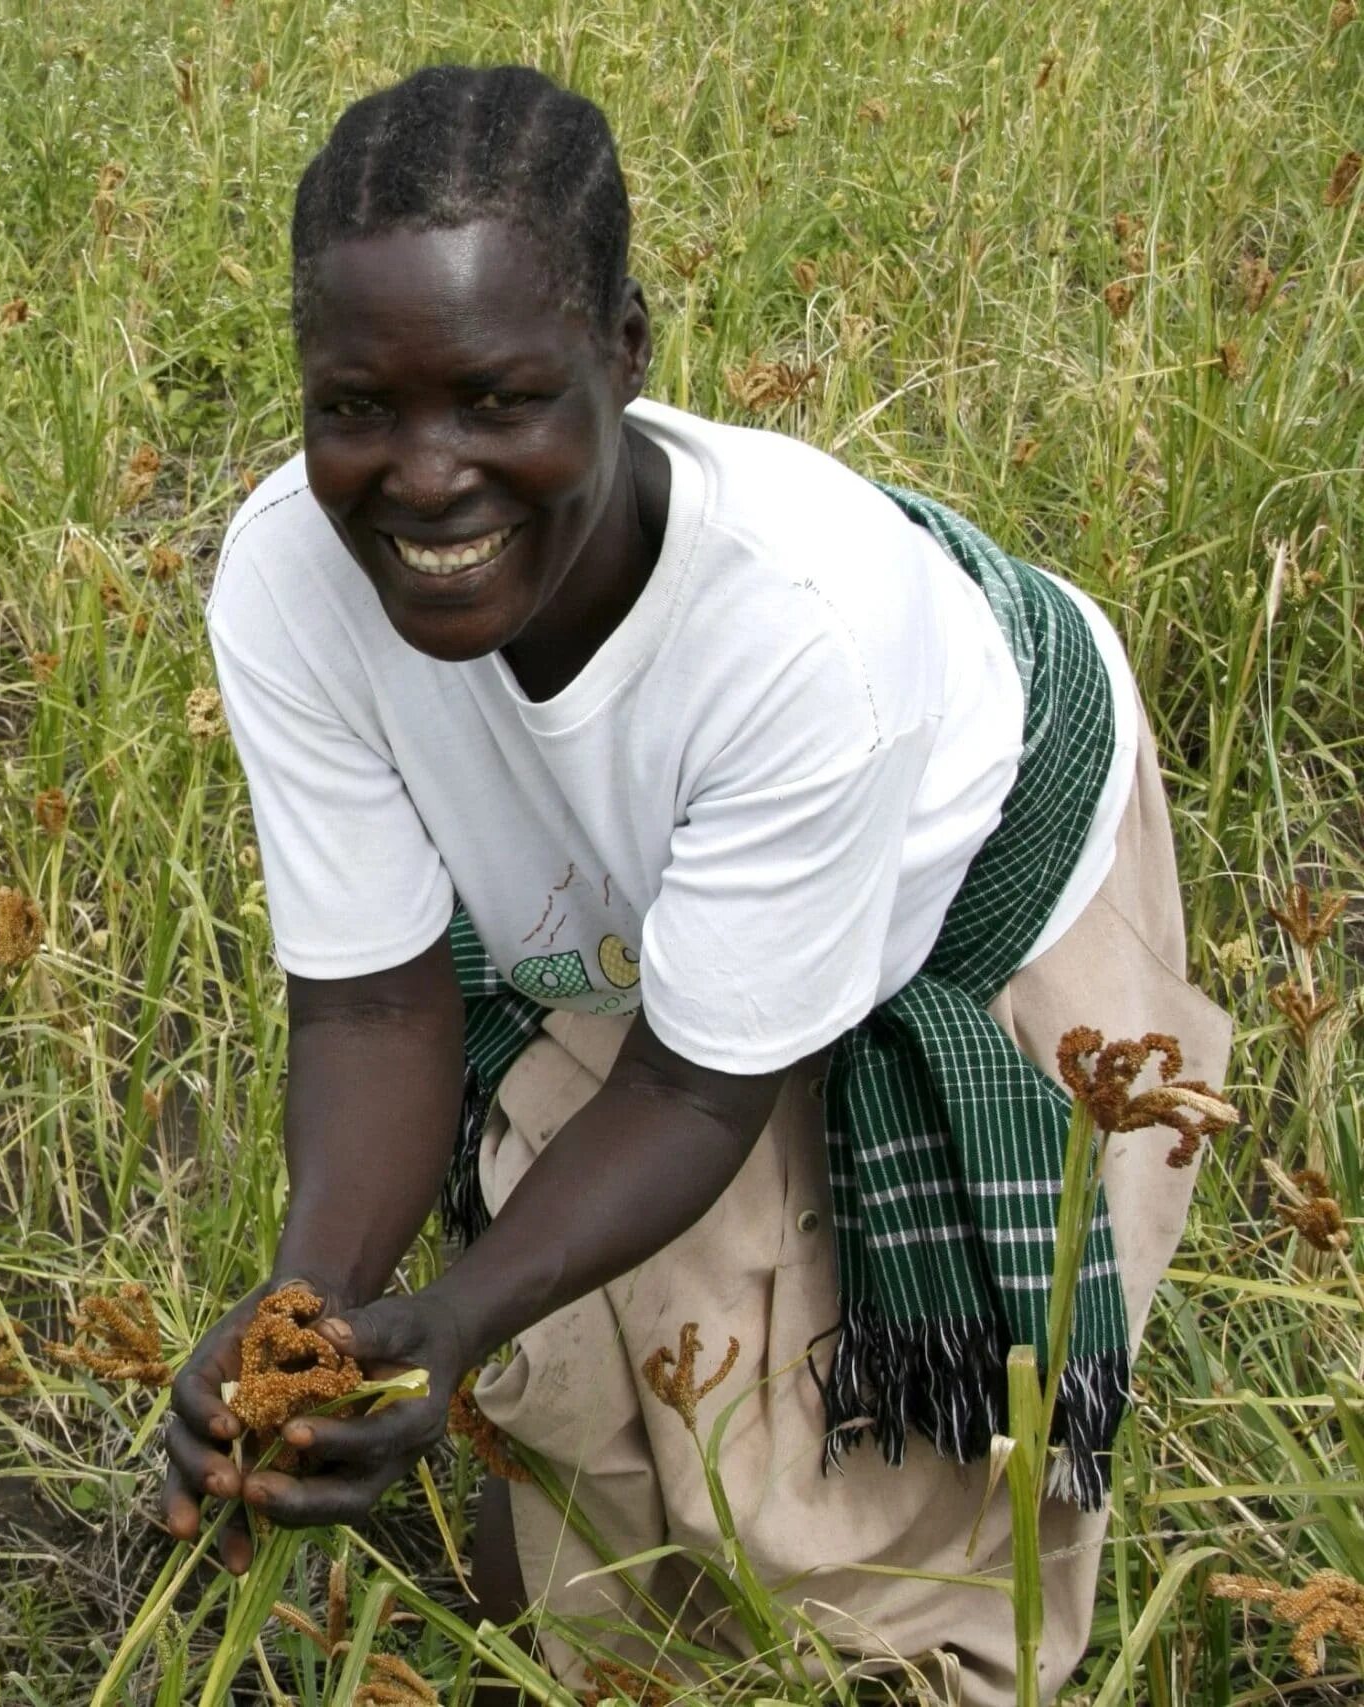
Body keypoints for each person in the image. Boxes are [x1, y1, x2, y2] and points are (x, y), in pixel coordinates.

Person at [159, 63, 1232, 1705]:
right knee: (581, 1427)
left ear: (625, 353)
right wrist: (311, 1320)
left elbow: (694, 1084)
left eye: (501, 398)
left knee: (843, 1532)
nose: (424, 477)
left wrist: (450, 1314)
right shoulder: (292, 582)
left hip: (967, 870)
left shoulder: (799, 633)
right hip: (633, 916)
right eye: (357, 407)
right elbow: (377, 1006)